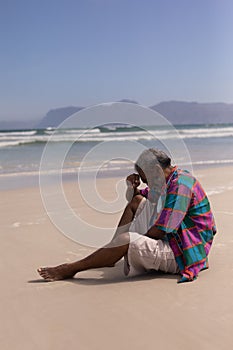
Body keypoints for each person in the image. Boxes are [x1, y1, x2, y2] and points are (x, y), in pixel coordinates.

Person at [38, 148, 216, 283]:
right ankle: (112, 252)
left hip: (185, 252)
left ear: (155, 169)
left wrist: (130, 242)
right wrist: (132, 188)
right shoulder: (169, 179)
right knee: (136, 201)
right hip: (177, 238)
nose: (145, 182)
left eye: (145, 178)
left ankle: (71, 268)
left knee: (125, 240)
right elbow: (139, 198)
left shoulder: (180, 186)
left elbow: (161, 231)